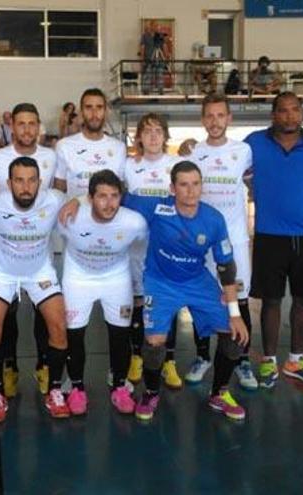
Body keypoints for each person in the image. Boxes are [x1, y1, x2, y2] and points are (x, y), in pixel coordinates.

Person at [60, 161, 249, 422]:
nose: (190, 191)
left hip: (198, 281)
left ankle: (220, 393)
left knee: (233, 333)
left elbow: (226, 267)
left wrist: (235, 312)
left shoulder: (214, 219)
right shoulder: (157, 207)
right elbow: (111, 194)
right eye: (183, 184)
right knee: (154, 343)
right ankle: (150, 392)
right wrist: (77, 201)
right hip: (161, 282)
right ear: (172, 188)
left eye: (195, 184)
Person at [244, 92, 303, 389]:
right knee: (271, 301)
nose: (289, 116)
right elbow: (236, 168)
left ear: (302, 113)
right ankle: (268, 362)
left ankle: (296, 359)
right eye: (283, 111)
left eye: (295, 110)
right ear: (273, 114)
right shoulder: (254, 142)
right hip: (270, 236)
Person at [0, 156, 70, 422]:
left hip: (39, 271)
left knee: (59, 328)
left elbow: (81, 201)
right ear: (8, 183)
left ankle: (54, 390)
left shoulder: (54, 199)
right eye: (19, 180)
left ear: (40, 182)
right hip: (2, 271)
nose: (26, 187)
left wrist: (76, 201)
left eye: (31, 180)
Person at [180, 93, 257, 390]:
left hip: (234, 241)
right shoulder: (192, 153)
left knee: (239, 300)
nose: (215, 121)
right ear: (202, 120)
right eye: (209, 116)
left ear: (229, 119)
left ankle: (242, 359)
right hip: (201, 243)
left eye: (220, 115)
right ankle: (203, 356)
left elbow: (254, 180)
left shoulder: (244, 151)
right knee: (202, 301)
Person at [0, 102, 57, 397]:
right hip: (6, 250)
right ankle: (9, 366)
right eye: (21, 124)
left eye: (32, 124)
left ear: (39, 126)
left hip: (41, 248)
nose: (26, 129)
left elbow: (58, 194)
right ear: (12, 126)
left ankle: (43, 364)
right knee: (6, 311)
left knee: (44, 310)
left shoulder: (52, 156)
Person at [58, 169, 147, 415]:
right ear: (89, 197)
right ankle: (76, 387)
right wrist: (74, 200)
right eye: (102, 196)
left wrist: (140, 286)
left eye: (115, 196)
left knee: (120, 335)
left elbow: (141, 252)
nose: (109, 203)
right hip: (78, 279)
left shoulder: (134, 222)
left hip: (116, 279)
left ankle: (119, 386)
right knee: (75, 335)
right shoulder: (69, 216)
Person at [123, 113, 181, 388]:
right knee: (138, 301)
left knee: (166, 303)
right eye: (147, 131)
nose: (153, 136)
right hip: (136, 248)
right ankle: (137, 356)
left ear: (165, 136)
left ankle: (169, 360)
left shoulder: (177, 165)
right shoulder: (128, 166)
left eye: (158, 131)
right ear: (139, 138)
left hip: (167, 249)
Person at [54, 88, 126, 198]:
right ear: (81, 112)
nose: (94, 113)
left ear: (106, 112)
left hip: (108, 214)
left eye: (99, 107)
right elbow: (59, 191)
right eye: (89, 108)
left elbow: (119, 191)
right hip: (75, 214)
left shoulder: (119, 148)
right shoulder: (64, 146)